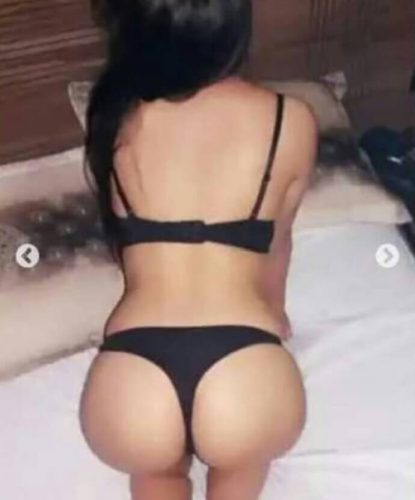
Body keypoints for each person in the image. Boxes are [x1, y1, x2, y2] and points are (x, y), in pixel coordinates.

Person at [79, 1, 318, 499]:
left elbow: (126, 249)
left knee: (155, 470)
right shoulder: (290, 119)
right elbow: (278, 242)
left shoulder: (115, 113)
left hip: (131, 385)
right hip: (246, 372)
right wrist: (274, 313)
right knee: (241, 460)